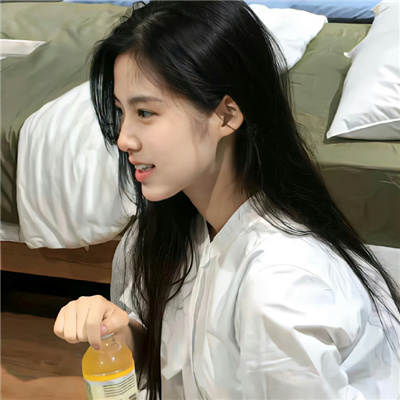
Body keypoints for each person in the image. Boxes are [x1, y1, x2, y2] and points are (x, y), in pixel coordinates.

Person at [54, 1, 400, 399]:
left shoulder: (277, 289)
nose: (123, 139)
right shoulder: (174, 231)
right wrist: (123, 334)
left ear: (226, 115)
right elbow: (178, 353)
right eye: (121, 112)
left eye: (145, 112)